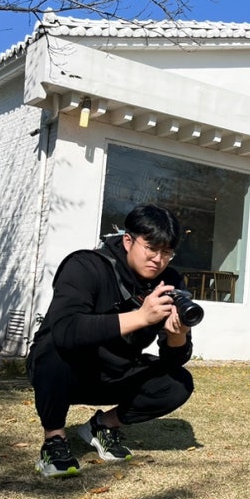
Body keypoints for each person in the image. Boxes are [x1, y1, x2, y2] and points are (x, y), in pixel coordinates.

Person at [27, 204, 195, 477]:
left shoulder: (169, 280)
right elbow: (66, 330)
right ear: (128, 240)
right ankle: (54, 440)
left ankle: (103, 426)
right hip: (68, 371)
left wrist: (178, 336)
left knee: (178, 382)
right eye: (151, 248)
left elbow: (173, 359)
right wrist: (141, 317)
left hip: (115, 371)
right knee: (53, 347)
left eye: (167, 252)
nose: (158, 259)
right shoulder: (85, 265)